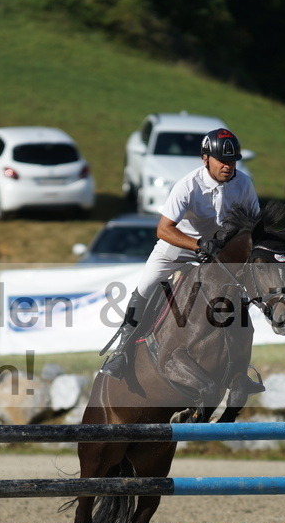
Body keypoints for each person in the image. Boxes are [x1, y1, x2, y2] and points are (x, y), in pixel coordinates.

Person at [100, 128, 260, 379]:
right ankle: (123, 352)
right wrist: (197, 245)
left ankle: (240, 368)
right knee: (146, 286)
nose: (228, 166)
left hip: (218, 252)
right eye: (222, 161)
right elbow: (163, 230)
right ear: (205, 158)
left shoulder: (244, 184)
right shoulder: (187, 186)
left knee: (239, 294)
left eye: (232, 161)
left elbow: (254, 226)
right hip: (178, 247)